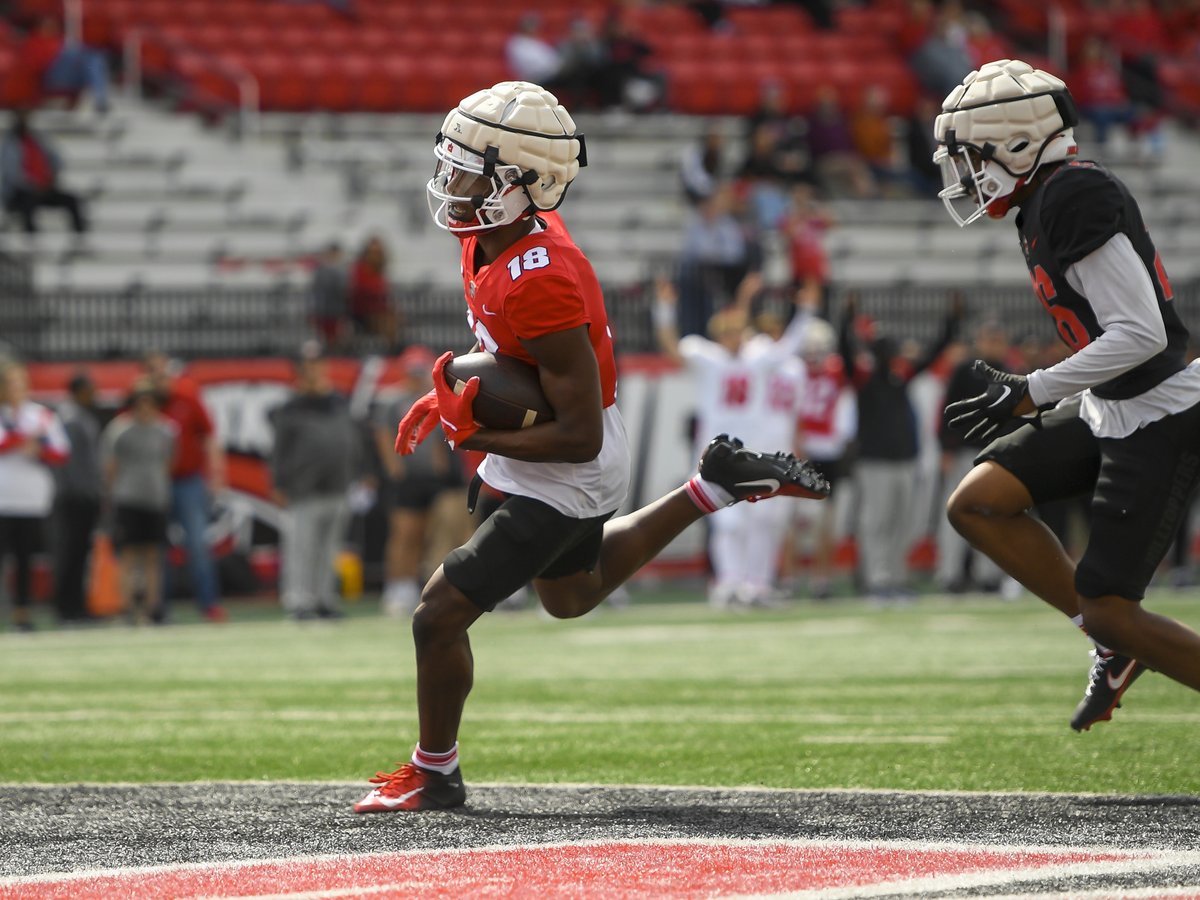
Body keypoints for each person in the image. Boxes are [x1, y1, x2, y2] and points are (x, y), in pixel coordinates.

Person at [353, 81, 830, 813]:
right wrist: (447, 397)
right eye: (450, 165)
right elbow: (506, 357)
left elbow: (575, 433)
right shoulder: (487, 238)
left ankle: (435, 771)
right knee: (571, 594)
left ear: (522, 184)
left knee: (437, 614)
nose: (451, 184)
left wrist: (469, 429)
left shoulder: (543, 275)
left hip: (567, 467)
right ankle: (712, 487)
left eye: (469, 171)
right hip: (534, 450)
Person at [934, 59, 1200, 732]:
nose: (961, 176)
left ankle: (1113, 631)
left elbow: (1140, 333)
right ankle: (1111, 642)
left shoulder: (1072, 193)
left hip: (1161, 405)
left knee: (1113, 601)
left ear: (1018, 143)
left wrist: (1033, 391)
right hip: (1112, 403)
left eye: (969, 157)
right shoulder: (1040, 200)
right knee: (980, 504)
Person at [654, 280, 812, 608]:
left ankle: (756, 585)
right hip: (715, 453)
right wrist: (664, 310)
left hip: (751, 452)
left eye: (737, 330)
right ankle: (729, 584)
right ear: (718, 333)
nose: (733, 337)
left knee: (760, 523)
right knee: (728, 522)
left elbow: (790, 346)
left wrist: (806, 311)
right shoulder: (706, 356)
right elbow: (671, 350)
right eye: (727, 331)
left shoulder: (758, 356)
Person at [840, 293, 961, 601]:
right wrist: (846, 319)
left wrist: (952, 321)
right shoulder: (864, 381)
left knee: (902, 522)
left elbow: (934, 353)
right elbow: (844, 351)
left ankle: (894, 577)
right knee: (878, 521)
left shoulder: (899, 378)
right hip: (875, 461)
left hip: (904, 459)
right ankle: (877, 579)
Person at [372, 345, 467, 618]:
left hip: (434, 477)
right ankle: (398, 587)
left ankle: (425, 586)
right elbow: (382, 433)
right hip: (408, 476)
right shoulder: (391, 398)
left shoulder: (436, 396)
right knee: (405, 533)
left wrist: (441, 463)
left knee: (438, 532)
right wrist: (394, 467)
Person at [269, 343, 359, 621]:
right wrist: (279, 483)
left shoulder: (338, 401)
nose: (314, 372)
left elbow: (352, 440)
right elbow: (279, 450)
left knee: (330, 548)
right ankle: (299, 601)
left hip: (337, 484)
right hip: (303, 488)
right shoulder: (291, 407)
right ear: (299, 372)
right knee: (301, 547)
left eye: (318, 365)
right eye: (308, 367)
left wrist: (359, 473)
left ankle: (324, 599)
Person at [142, 351, 228, 623]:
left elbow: (209, 436)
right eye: (153, 372)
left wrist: (216, 475)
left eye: (162, 371)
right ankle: (159, 607)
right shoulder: (143, 403)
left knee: (198, 544)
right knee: (158, 547)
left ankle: (208, 604)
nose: (159, 378)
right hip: (155, 483)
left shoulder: (187, 397)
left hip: (189, 480)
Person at [935, 318, 1009, 594]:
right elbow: (948, 409)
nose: (994, 345)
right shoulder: (966, 370)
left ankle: (988, 575)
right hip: (965, 451)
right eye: (990, 339)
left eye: (998, 339)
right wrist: (946, 448)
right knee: (955, 511)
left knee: (992, 516)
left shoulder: (1009, 372)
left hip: (995, 454)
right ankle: (950, 575)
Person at [0, 358, 69, 632]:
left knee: (24, 558)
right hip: (2, 498)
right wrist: (25, 440)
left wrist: (38, 448)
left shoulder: (41, 415)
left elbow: (61, 452)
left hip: (31, 499)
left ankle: (22, 612)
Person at [101, 378, 176, 626]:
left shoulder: (166, 429)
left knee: (154, 556)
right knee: (129, 556)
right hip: (128, 498)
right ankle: (128, 608)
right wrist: (111, 496)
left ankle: (152, 609)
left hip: (155, 499)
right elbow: (111, 467)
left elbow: (169, 464)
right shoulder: (120, 430)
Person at [52, 370, 103, 624]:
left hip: (82, 493)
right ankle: (67, 606)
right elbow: (68, 462)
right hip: (76, 496)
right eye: (89, 389)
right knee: (71, 551)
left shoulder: (79, 416)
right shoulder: (71, 418)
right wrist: (82, 491)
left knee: (80, 552)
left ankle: (75, 604)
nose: (94, 394)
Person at [0, 110, 88, 237]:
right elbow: (12, 175)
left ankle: (80, 238)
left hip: (44, 188)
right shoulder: (9, 144)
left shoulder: (39, 140)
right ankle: (31, 240)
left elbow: (56, 161)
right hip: (20, 192)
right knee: (27, 204)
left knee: (71, 200)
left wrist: (50, 179)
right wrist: (32, 185)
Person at [12, 17, 111, 113]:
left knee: (95, 58)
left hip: (70, 77)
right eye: (47, 24)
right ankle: (100, 98)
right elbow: (33, 66)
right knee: (74, 53)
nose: (51, 27)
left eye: (53, 25)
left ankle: (100, 99)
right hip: (49, 78)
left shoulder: (59, 40)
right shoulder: (34, 41)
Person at [348, 235, 398, 348]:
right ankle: (391, 348)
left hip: (378, 309)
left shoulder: (380, 271)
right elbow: (362, 290)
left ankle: (392, 347)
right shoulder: (360, 269)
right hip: (362, 311)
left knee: (394, 317)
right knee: (387, 322)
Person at [308, 241, 350, 345]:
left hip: (336, 311)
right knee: (326, 338)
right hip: (325, 311)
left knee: (336, 338)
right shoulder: (322, 270)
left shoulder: (340, 269)